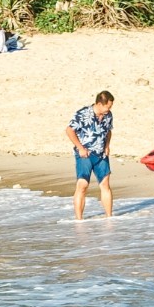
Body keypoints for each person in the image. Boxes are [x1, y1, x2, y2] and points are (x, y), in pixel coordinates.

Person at [64, 91, 117, 221]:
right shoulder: (83, 114)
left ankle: (109, 218)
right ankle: (79, 220)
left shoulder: (108, 115)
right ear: (99, 103)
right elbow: (69, 130)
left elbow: (108, 131)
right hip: (85, 155)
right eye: (107, 107)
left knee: (105, 185)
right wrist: (80, 148)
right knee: (83, 186)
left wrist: (107, 145)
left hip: (101, 154)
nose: (109, 110)